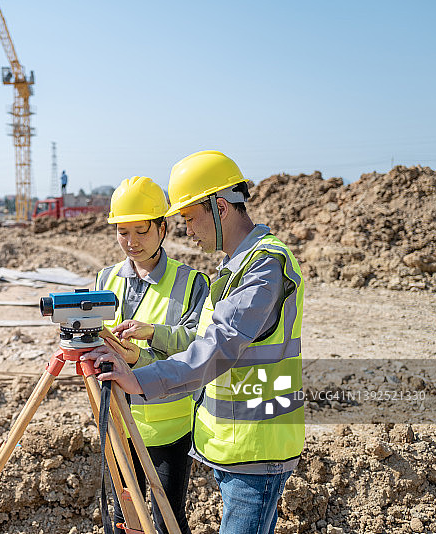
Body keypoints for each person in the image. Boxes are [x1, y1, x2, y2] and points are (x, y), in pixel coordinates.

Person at [86, 151, 305, 534]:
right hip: (233, 446)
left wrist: (142, 377)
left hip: (257, 446)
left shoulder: (264, 265)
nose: (187, 230)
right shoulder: (235, 266)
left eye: (189, 218)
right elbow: (205, 342)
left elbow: (218, 345)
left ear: (220, 207)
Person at [96, 176, 209, 534]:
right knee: (123, 519)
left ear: (163, 227)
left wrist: (152, 336)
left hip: (168, 427)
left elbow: (199, 347)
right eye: (123, 232)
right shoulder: (105, 279)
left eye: (142, 231)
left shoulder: (192, 283)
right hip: (116, 420)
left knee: (167, 520)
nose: (131, 243)